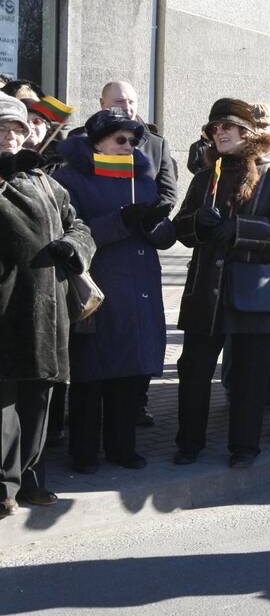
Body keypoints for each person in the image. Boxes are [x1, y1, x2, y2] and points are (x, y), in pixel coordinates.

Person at [172, 98, 270, 468]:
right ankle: (189, 443)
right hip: (205, 292)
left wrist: (238, 230)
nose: (220, 133)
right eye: (216, 128)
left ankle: (244, 447)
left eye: (228, 127)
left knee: (250, 376)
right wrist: (199, 222)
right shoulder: (204, 176)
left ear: (247, 135)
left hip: (254, 293)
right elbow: (183, 228)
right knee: (194, 370)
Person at [52, 111, 175, 473]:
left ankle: (123, 448)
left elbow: (165, 237)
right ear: (98, 141)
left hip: (140, 288)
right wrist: (121, 221)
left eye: (133, 141)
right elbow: (72, 232)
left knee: (129, 375)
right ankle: (84, 452)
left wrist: (154, 223)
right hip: (100, 286)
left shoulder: (143, 175)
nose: (128, 146)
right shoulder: (70, 177)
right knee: (91, 374)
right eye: (120, 139)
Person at [0, 93, 95, 517]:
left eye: (17, 129)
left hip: (45, 306)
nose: (11, 136)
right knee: (2, 403)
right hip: (5, 305)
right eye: (2, 128)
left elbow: (80, 225)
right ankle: (4, 485)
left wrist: (73, 246)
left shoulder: (45, 180)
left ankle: (32, 478)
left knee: (38, 400)